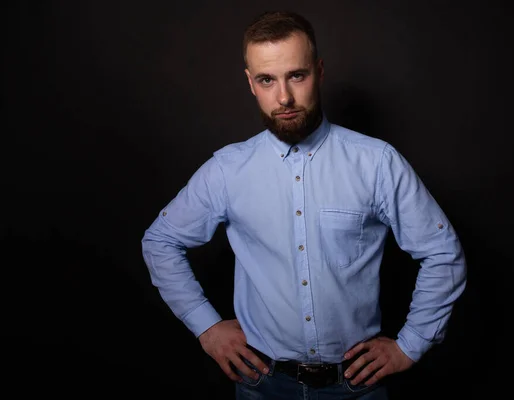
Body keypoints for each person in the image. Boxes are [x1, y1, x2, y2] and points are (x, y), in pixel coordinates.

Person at [141, 10, 467, 400]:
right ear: (251, 83)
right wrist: (205, 326)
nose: (284, 97)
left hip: (357, 388)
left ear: (320, 71)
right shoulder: (227, 170)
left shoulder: (376, 162)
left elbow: (442, 253)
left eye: (297, 75)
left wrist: (410, 345)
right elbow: (160, 241)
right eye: (267, 80)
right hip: (261, 385)